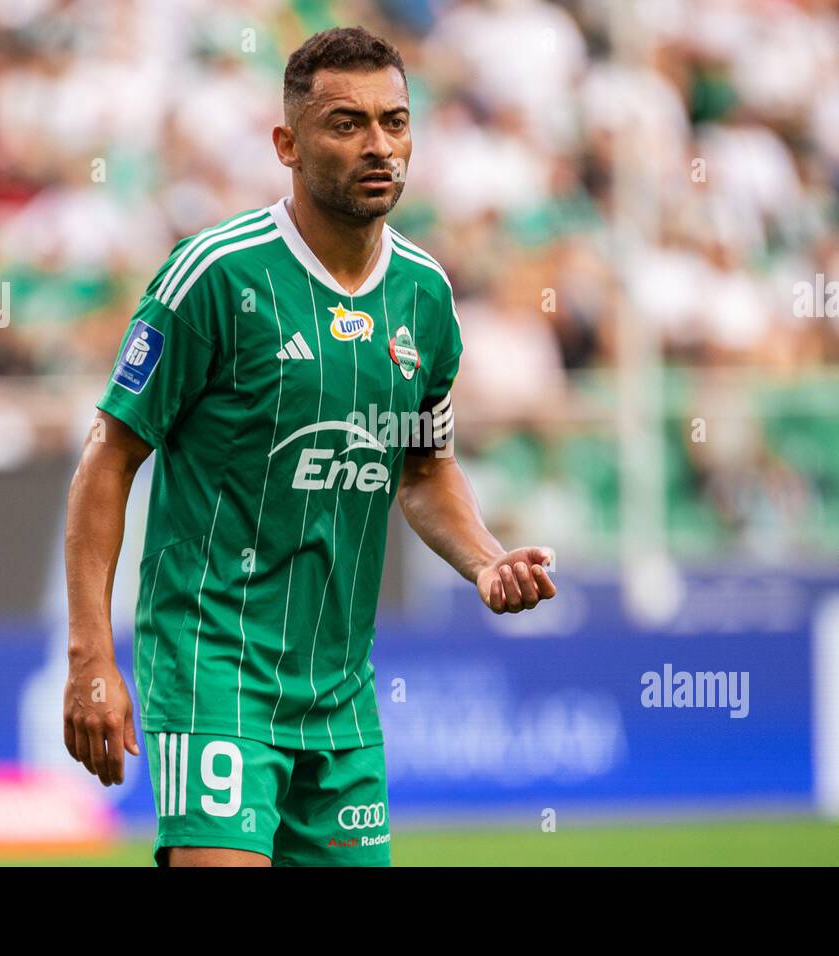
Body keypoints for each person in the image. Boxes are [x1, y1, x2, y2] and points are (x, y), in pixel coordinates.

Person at [62, 26, 556, 867]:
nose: (379, 146)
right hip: (216, 666)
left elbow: (424, 466)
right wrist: (90, 658)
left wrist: (484, 561)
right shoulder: (216, 275)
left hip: (340, 694)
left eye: (395, 123)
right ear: (287, 143)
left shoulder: (426, 297)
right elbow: (108, 460)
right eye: (346, 123)